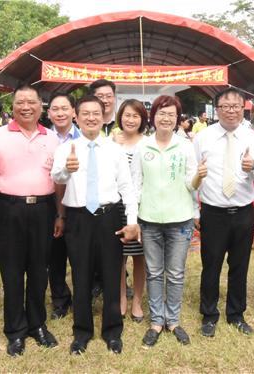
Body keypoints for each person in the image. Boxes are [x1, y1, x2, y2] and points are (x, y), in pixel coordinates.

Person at [0, 84, 62, 356]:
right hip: (8, 209)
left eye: (31, 102)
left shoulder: (52, 138)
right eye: (20, 102)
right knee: (11, 271)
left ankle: (37, 325)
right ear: (12, 107)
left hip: (44, 209)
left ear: (41, 106)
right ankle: (14, 330)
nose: (26, 107)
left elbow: (59, 182)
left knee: (39, 270)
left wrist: (60, 214)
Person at [50, 95, 140, 355]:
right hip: (78, 218)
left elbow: (127, 188)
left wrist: (132, 222)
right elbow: (56, 176)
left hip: (109, 217)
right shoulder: (66, 148)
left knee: (112, 274)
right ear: (76, 117)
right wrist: (67, 169)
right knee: (81, 274)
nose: (91, 117)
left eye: (96, 113)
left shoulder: (115, 150)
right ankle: (82, 332)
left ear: (104, 117)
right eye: (85, 113)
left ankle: (112, 331)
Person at [194, 88, 254, 338]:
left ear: (243, 107)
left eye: (236, 106)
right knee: (211, 265)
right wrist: (196, 210)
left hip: (243, 212)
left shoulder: (253, 138)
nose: (231, 110)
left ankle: (236, 314)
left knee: (239, 265)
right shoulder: (202, 137)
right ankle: (209, 314)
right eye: (226, 106)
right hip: (213, 211)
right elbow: (194, 174)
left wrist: (253, 166)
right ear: (217, 109)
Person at [131, 95, 197, 347]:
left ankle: (174, 321)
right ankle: (157, 321)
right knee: (154, 272)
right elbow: (136, 183)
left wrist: (199, 177)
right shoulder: (143, 146)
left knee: (176, 273)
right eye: (161, 113)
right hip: (149, 219)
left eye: (171, 114)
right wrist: (134, 217)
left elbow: (191, 184)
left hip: (180, 219)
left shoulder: (185, 146)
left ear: (178, 118)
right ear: (153, 116)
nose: (166, 118)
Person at [113, 99, 148, 322]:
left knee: (139, 257)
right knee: (118, 257)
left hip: (142, 207)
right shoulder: (111, 142)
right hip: (116, 207)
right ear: (120, 116)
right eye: (127, 115)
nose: (131, 119)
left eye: (136, 116)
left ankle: (137, 301)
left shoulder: (147, 143)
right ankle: (121, 299)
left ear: (142, 119)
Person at [46, 92, 79, 319]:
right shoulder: (44, 139)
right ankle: (60, 299)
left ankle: (83, 296)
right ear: (48, 113)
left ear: (73, 112)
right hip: (49, 202)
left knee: (80, 254)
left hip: (79, 204)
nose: (60, 113)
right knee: (55, 254)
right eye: (55, 109)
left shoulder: (85, 138)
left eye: (64, 108)